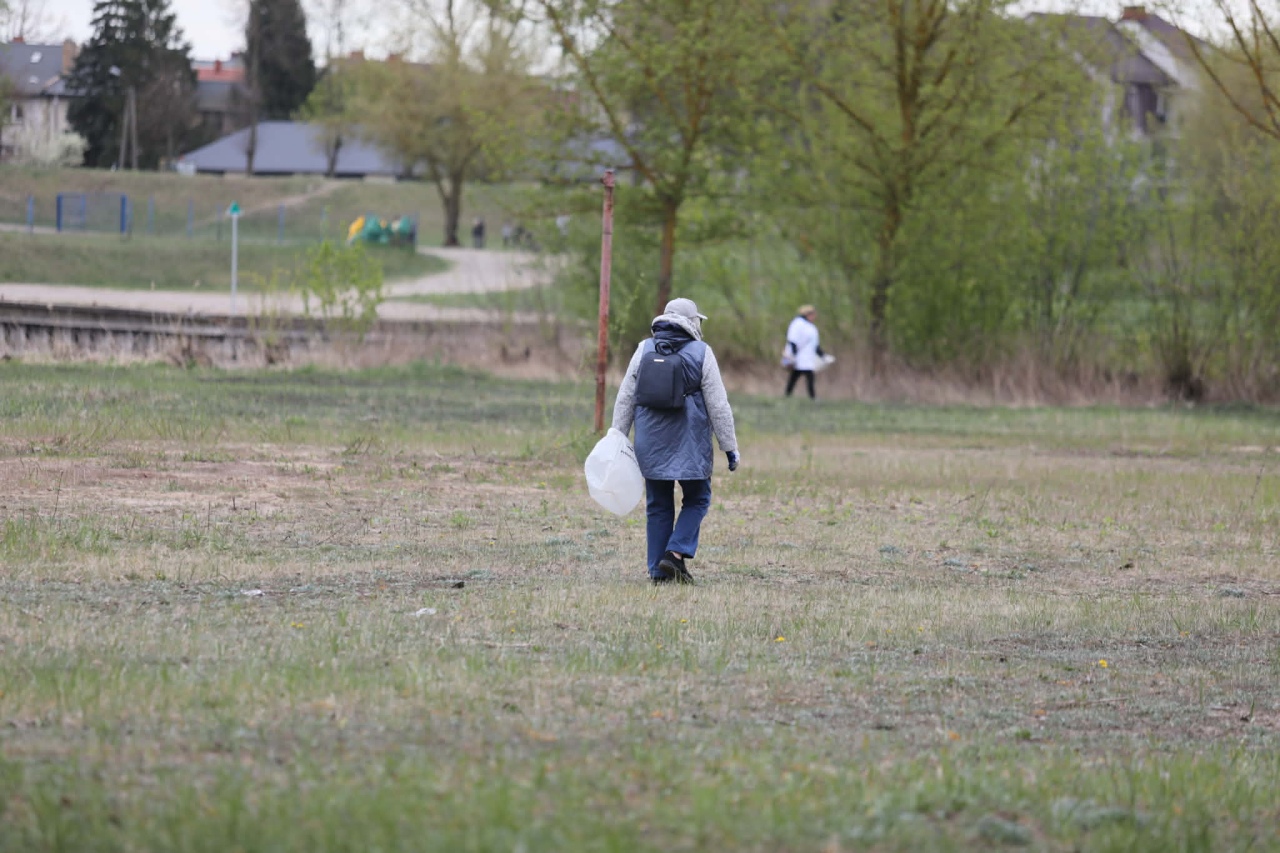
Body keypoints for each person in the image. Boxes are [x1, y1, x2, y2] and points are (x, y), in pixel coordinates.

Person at [612, 298, 740, 585]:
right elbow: (719, 405)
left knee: (658, 505)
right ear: (693, 322)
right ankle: (676, 552)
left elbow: (625, 397)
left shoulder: (643, 349)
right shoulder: (702, 353)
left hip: (650, 444)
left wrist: (617, 437)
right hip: (691, 445)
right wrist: (729, 447)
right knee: (698, 498)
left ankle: (658, 572)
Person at [784, 304, 829, 399]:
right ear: (808, 314)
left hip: (807, 358)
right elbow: (793, 340)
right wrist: (793, 356)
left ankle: (788, 395)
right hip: (799, 356)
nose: (814, 317)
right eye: (813, 315)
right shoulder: (797, 324)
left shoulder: (810, 327)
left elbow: (814, 344)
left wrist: (823, 355)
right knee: (805, 376)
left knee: (797, 376)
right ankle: (811, 397)